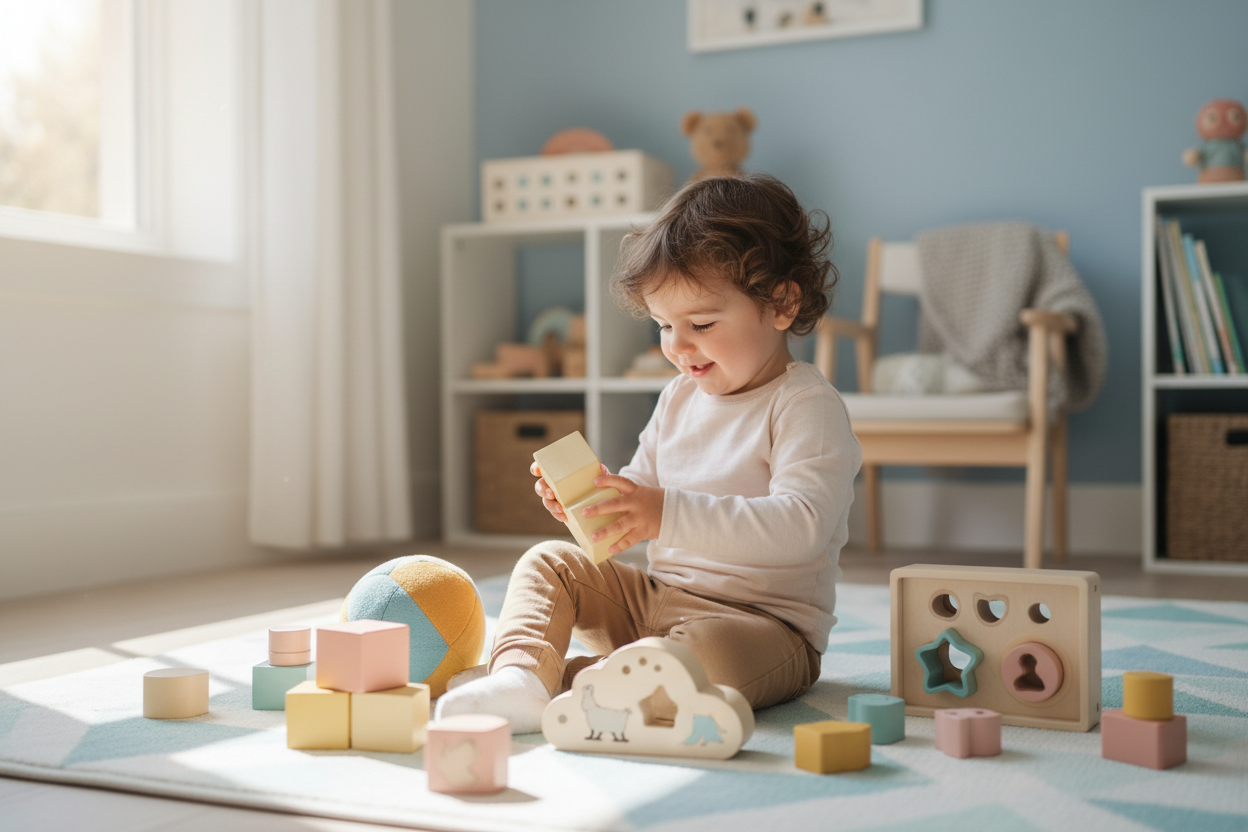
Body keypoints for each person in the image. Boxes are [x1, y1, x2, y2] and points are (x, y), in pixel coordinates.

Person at [435, 173, 861, 732]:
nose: (678, 346)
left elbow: (800, 526)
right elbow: (640, 490)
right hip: (653, 602)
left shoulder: (806, 404)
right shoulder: (679, 396)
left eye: (702, 324)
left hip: (761, 627)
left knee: (706, 659)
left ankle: (570, 682)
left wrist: (662, 512)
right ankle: (522, 677)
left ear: (781, 303)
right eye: (664, 325)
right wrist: (596, 507)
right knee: (548, 564)